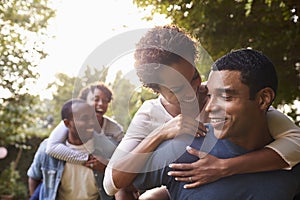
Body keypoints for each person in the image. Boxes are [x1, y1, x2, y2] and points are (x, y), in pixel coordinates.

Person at [103, 25, 300, 197]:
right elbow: (111, 183)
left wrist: (224, 168)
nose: (195, 88)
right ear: (157, 90)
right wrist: (160, 134)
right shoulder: (150, 115)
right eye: (179, 88)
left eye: (194, 76)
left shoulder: (218, 96)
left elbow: (295, 142)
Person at [27, 99, 115, 199]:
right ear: (67, 124)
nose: (91, 123)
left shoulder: (107, 148)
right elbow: (34, 177)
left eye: (92, 117)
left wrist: (107, 168)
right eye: (84, 118)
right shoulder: (46, 149)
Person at [45, 82, 124, 168]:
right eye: (96, 99)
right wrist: (87, 159)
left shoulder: (116, 130)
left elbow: (125, 157)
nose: (101, 104)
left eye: (105, 101)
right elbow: (52, 148)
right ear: (83, 102)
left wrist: (106, 164)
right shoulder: (70, 123)